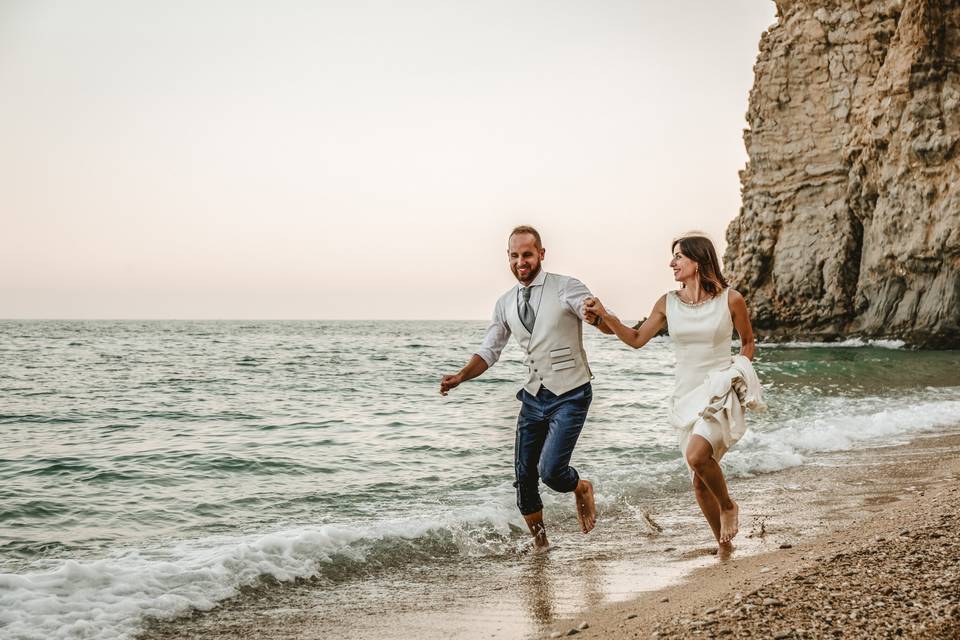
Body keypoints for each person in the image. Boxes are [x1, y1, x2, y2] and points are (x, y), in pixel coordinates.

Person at [583, 234, 760, 553]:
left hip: (718, 391)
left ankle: (728, 506)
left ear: (698, 260)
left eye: (678, 256)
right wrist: (604, 319)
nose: (671, 263)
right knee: (698, 476)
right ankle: (723, 545)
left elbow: (748, 342)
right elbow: (636, 338)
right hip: (685, 396)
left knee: (696, 456)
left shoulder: (731, 299)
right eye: (673, 256)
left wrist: (739, 370)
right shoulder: (667, 302)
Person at [440, 225, 612, 550]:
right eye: (515, 255)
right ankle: (541, 547)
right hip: (533, 397)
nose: (522, 261)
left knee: (551, 472)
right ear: (508, 258)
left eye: (528, 254)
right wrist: (461, 376)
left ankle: (580, 487)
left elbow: (602, 320)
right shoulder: (504, 304)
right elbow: (489, 350)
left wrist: (597, 317)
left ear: (541, 254)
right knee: (523, 478)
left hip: (571, 393)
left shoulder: (566, 288)